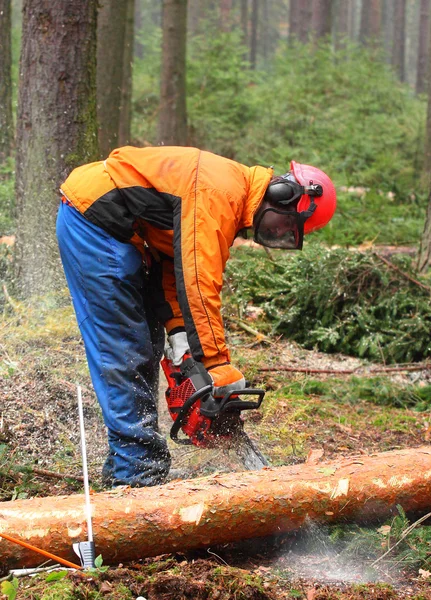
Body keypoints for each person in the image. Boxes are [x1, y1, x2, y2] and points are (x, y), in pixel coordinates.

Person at [56, 146, 336, 488]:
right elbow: (199, 280)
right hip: (95, 221)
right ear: (283, 193)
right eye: (284, 225)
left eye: (287, 234)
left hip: (124, 233)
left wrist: (181, 344)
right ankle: (136, 473)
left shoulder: (229, 205)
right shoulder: (221, 193)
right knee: (125, 348)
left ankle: (126, 464)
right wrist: (215, 366)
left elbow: (174, 269)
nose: (278, 234)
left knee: (146, 344)